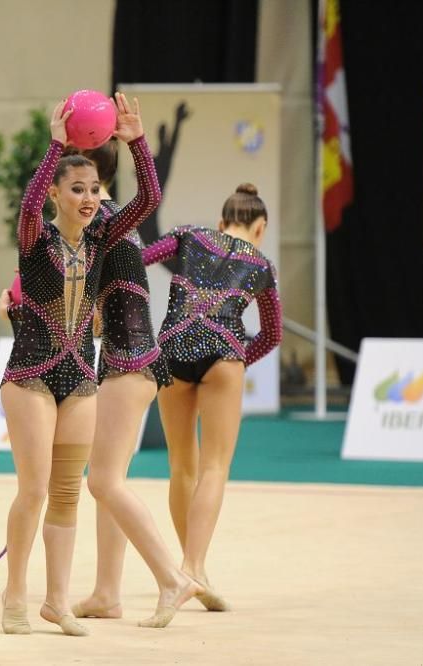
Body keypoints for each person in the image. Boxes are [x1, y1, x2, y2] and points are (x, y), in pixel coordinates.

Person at [0, 93, 159, 637]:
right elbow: (25, 206)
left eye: (94, 189)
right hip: (31, 376)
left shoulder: (102, 237)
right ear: (55, 194)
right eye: (77, 189)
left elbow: (150, 198)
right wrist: (55, 145)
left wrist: (136, 142)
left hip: (80, 379)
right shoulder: (34, 238)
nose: (90, 198)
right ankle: (15, 594)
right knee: (35, 490)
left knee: (68, 493)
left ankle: (57, 601)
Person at [68, 139, 198, 627]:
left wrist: (140, 140)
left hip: (131, 360)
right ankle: (106, 593)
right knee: (110, 480)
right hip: (127, 358)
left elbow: (150, 199)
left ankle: (172, 577)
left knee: (102, 480)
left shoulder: (104, 217)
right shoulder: (99, 221)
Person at [143, 183, 283, 611]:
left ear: (222, 223)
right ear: (261, 227)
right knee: (215, 467)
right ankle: (194, 567)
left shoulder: (188, 236)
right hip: (223, 354)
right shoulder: (262, 264)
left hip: (173, 350)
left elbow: (139, 259)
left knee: (182, 464)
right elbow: (273, 334)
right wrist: (238, 360)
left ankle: (187, 575)